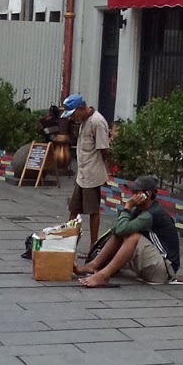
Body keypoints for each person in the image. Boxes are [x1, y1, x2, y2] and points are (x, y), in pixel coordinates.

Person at [75, 175, 181, 288]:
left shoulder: (152, 213)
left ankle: (104, 275)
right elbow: (117, 229)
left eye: (136, 192)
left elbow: (121, 229)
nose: (132, 195)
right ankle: (94, 264)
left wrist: (128, 206)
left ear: (147, 194)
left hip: (164, 271)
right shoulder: (140, 209)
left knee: (133, 237)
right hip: (154, 264)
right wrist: (128, 210)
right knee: (122, 233)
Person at [64, 94, 111, 249]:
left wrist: (107, 170)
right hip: (82, 173)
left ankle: (93, 246)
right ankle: (69, 242)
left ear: (81, 108)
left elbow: (104, 149)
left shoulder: (97, 122)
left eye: (73, 114)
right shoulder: (84, 121)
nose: (72, 118)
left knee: (92, 210)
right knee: (74, 209)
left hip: (92, 173)